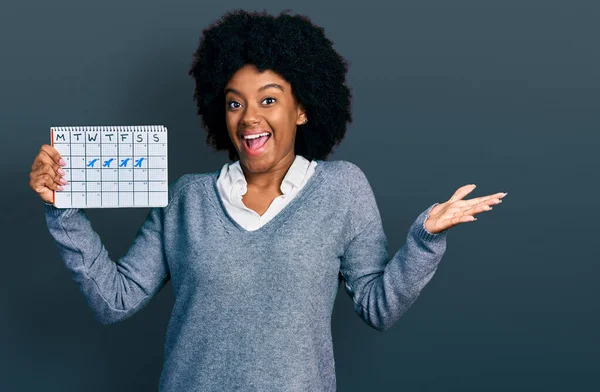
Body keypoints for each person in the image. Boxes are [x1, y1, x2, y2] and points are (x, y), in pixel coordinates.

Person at [28, 9, 506, 392]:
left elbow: (377, 307)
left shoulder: (342, 189)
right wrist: (62, 208)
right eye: (235, 103)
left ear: (301, 109)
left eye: (269, 100)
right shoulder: (187, 199)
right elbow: (116, 300)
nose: (249, 118)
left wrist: (425, 238)